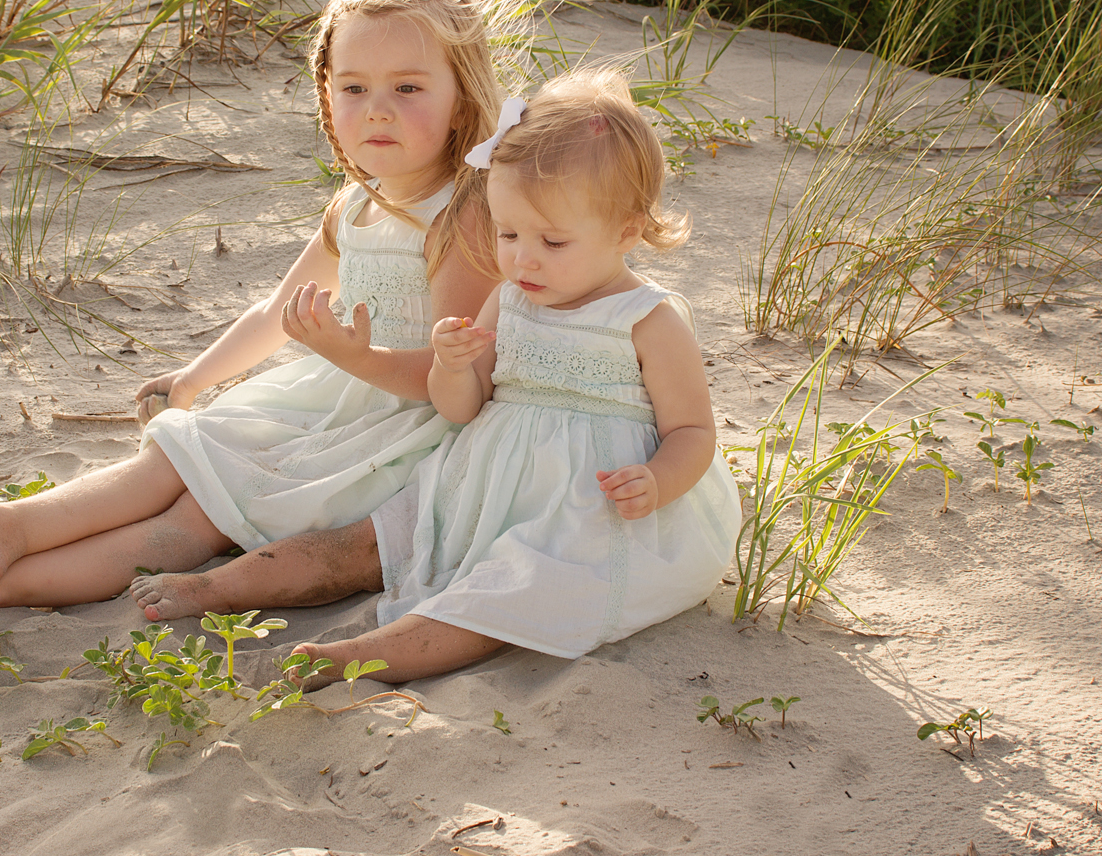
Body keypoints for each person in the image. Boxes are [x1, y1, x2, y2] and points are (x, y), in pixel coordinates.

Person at [0, 0, 516, 618]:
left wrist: (349, 357)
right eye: (353, 86)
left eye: (407, 86)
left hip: (396, 435)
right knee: (173, 454)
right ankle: (8, 528)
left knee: (194, 519)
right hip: (326, 402)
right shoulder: (354, 207)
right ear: (326, 96)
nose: (376, 108)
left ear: (461, 97)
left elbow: (449, 376)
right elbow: (274, 314)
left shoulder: (464, 213)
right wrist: (195, 377)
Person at [129, 67, 743, 684]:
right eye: (507, 233)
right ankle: (219, 587)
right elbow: (461, 407)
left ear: (626, 230)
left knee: (508, 592)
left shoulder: (649, 320)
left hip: (585, 508)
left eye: (552, 242)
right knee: (366, 543)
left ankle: (364, 656)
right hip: (478, 482)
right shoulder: (510, 299)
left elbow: (692, 430)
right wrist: (452, 367)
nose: (521, 257)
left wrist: (658, 482)